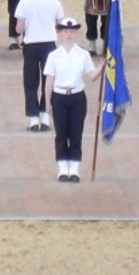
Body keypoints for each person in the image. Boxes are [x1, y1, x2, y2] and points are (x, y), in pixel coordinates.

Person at [44, 17, 105, 183]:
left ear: (76, 33)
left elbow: (91, 76)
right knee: (61, 132)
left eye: (71, 31)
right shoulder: (54, 56)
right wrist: (48, 102)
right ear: (61, 33)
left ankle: (75, 168)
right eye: (65, 31)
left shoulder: (83, 54)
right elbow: (49, 80)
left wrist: (101, 67)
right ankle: (63, 167)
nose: (69, 34)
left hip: (77, 97)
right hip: (59, 97)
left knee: (76, 132)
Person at [15, 0, 65, 132]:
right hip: (49, 45)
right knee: (48, 81)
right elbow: (60, 25)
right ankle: (45, 116)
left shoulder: (25, 2)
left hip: (31, 45)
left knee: (30, 82)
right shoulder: (55, 3)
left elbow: (19, 28)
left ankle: (33, 118)